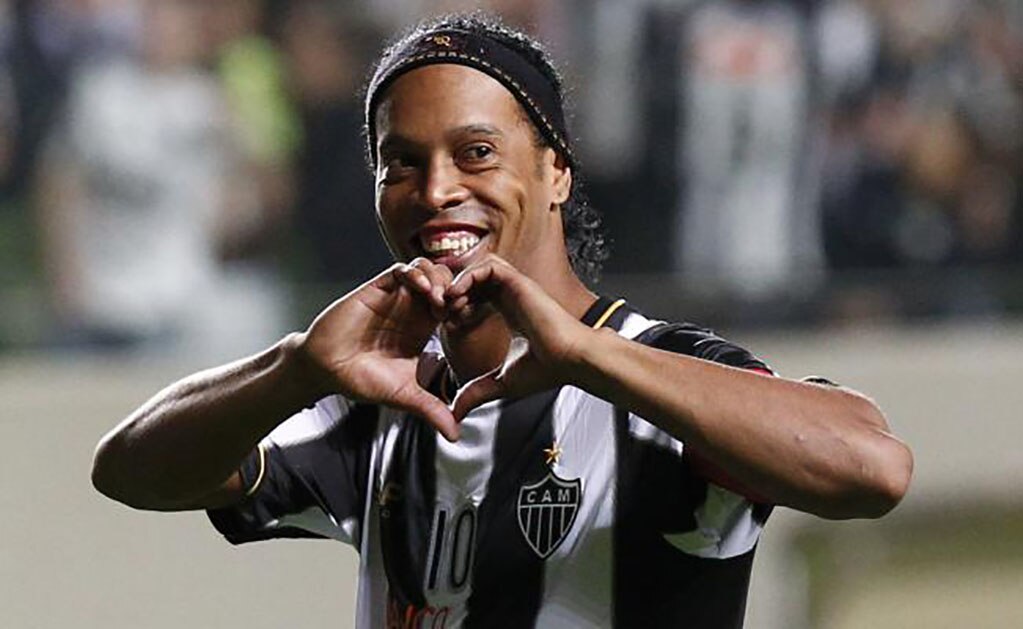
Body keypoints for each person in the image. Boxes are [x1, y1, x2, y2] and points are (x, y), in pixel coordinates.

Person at [92, 14, 912, 628]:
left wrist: (586, 358)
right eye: (401, 163)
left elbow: (871, 467)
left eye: (475, 153)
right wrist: (296, 367)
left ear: (555, 172)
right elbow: (131, 472)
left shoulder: (653, 377)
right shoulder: (385, 398)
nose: (436, 188)